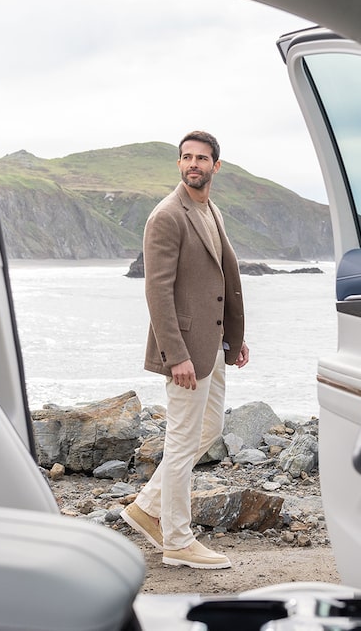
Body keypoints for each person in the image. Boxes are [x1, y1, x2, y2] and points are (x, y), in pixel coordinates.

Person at [123, 130, 250, 569]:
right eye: (186, 158)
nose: (193, 164)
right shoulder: (167, 216)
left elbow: (218, 281)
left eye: (201, 158)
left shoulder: (210, 210)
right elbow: (157, 292)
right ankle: (177, 539)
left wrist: (234, 337)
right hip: (185, 352)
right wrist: (175, 355)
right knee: (180, 442)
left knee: (208, 428)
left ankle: (147, 507)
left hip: (212, 345)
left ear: (216, 166)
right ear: (179, 164)